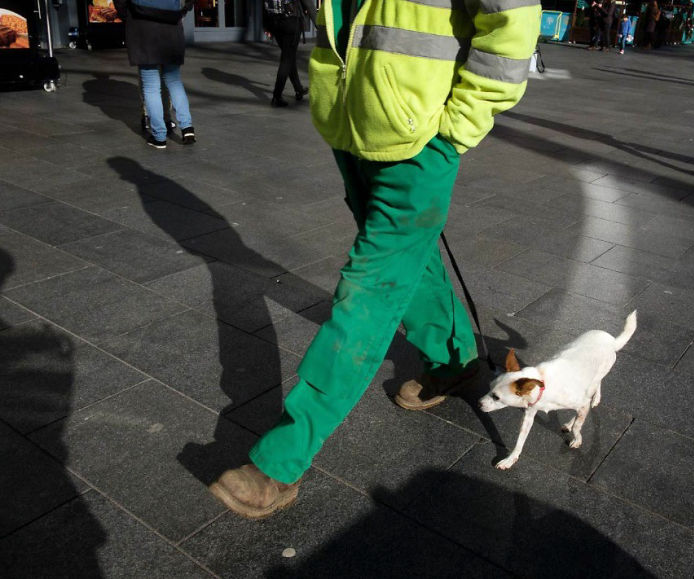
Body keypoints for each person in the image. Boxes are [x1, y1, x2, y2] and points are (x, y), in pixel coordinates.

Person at [207, 0, 541, 519]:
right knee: (413, 261)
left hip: (422, 137)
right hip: (352, 124)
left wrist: (459, 124)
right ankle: (454, 362)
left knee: (370, 289)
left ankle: (282, 458)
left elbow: (511, 20)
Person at [115, 0, 195, 149]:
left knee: (151, 86)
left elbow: (120, 3)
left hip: (142, 29)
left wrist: (129, 16)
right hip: (171, 27)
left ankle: (159, 136)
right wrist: (182, 12)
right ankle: (187, 128)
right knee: (174, 81)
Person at [264, 0, 309, 107]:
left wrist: (266, 26)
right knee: (287, 60)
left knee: (289, 56)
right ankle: (277, 95)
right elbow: (308, 3)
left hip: (274, 22)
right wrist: (319, 25)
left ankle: (298, 89)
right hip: (290, 21)